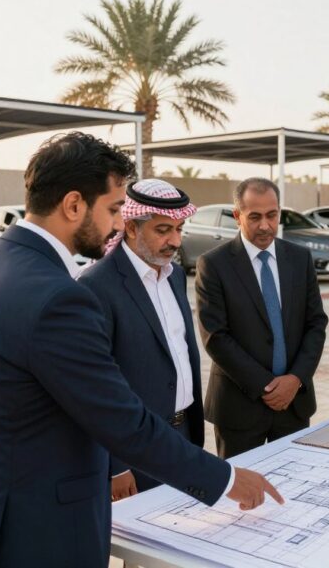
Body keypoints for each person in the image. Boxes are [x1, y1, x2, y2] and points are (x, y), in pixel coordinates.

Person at [0, 133, 282, 568]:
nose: (115, 225)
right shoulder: (59, 297)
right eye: (112, 209)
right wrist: (224, 479)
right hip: (31, 531)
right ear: (74, 205)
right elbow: (119, 419)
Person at [79, 178, 207, 502]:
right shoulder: (97, 285)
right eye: (163, 230)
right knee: (143, 549)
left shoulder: (175, 276)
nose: (175, 241)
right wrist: (116, 466)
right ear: (132, 228)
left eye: (179, 229)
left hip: (184, 436)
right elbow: (93, 387)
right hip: (135, 448)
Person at [195, 178, 328, 459]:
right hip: (239, 408)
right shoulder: (214, 264)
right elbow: (216, 337)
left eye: (272, 215)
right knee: (242, 499)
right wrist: (267, 387)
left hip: (294, 404)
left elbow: (316, 324)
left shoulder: (300, 258)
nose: (265, 225)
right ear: (237, 215)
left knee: (295, 491)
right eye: (254, 217)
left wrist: (295, 379)